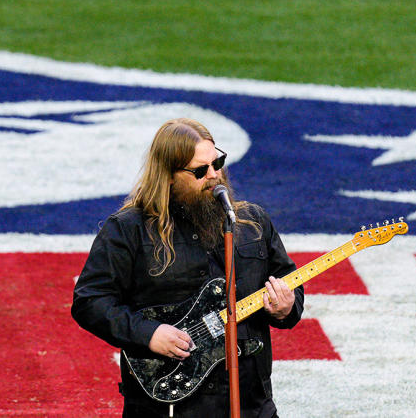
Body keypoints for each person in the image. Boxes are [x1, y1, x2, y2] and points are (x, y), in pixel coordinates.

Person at [72, 119, 303, 418]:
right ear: (167, 175)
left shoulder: (252, 221)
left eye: (217, 162)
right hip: (168, 405)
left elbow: (288, 284)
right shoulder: (128, 230)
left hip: (251, 402)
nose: (214, 175)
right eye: (199, 170)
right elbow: (90, 300)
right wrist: (148, 333)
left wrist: (286, 307)